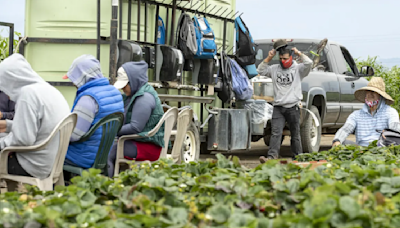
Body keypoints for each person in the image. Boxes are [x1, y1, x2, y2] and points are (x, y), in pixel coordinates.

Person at [0, 54, 70, 180]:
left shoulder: (27, 95)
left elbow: (23, 140)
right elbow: (38, 127)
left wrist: (1, 143)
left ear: (12, 80)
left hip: (32, 165)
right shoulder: (49, 90)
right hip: (51, 162)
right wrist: (8, 125)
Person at [63, 55, 124, 169]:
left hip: (81, 157)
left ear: (83, 76)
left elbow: (74, 135)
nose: (73, 83)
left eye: (74, 78)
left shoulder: (88, 99)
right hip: (103, 155)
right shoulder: (114, 92)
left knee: (44, 155)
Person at [257, 39, 313, 163]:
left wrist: (299, 54)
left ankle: (298, 157)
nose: (283, 61)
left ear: (291, 58)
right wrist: (268, 58)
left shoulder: (298, 69)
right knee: (276, 133)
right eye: (281, 59)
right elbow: (260, 70)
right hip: (278, 107)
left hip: (293, 107)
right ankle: (272, 157)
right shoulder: (274, 69)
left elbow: (309, 63)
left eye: (286, 59)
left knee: (295, 134)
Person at [107, 61, 165, 177]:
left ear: (134, 81)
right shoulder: (134, 94)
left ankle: (109, 186)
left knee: (105, 153)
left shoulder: (144, 98)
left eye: (125, 85)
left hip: (148, 147)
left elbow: (135, 127)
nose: (123, 88)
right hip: (138, 142)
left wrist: (111, 131)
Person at [332, 77, 400, 147]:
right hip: (361, 149)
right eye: (368, 91)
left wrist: (388, 134)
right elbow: (345, 129)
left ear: (380, 95)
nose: (369, 94)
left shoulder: (390, 112)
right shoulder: (356, 115)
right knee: (343, 142)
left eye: (373, 92)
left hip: (381, 149)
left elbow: (395, 129)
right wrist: (337, 140)